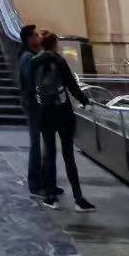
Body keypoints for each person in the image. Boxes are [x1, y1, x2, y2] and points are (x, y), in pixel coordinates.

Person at [32, 30, 95, 211]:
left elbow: (27, 86)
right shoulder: (59, 61)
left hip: (44, 114)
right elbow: (72, 85)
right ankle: (78, 198)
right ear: (54, 44)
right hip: (63, 113)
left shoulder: (34, 62)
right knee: (69, 156)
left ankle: (50, 197)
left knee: (49, 155)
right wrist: (85, 101)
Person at [18, 24, 48, 199]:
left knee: (39, 143)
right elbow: (30, 83)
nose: (38, 38)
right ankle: (35, 184)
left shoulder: (29, 55)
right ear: (29, 39)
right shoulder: (28, 57)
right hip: (34, 104)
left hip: (32, 103)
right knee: (36, 144)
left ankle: (41, 181)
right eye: (35, 36)